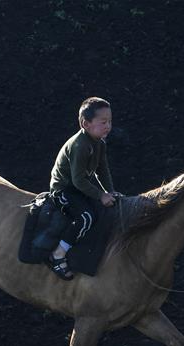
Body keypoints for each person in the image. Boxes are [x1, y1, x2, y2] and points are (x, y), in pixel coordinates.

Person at [47, 96, 120, 280]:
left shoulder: (99, 143)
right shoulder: (80, 145)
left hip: (77, 187)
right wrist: (100, 195)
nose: (108, 126)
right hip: (64, 189)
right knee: (86, 217)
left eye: (110, 121)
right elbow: (78, 180)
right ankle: (58, 254)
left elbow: (103, 171)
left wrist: (109, 191)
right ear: (85, 124)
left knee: (104, 211)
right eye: (103, 122)